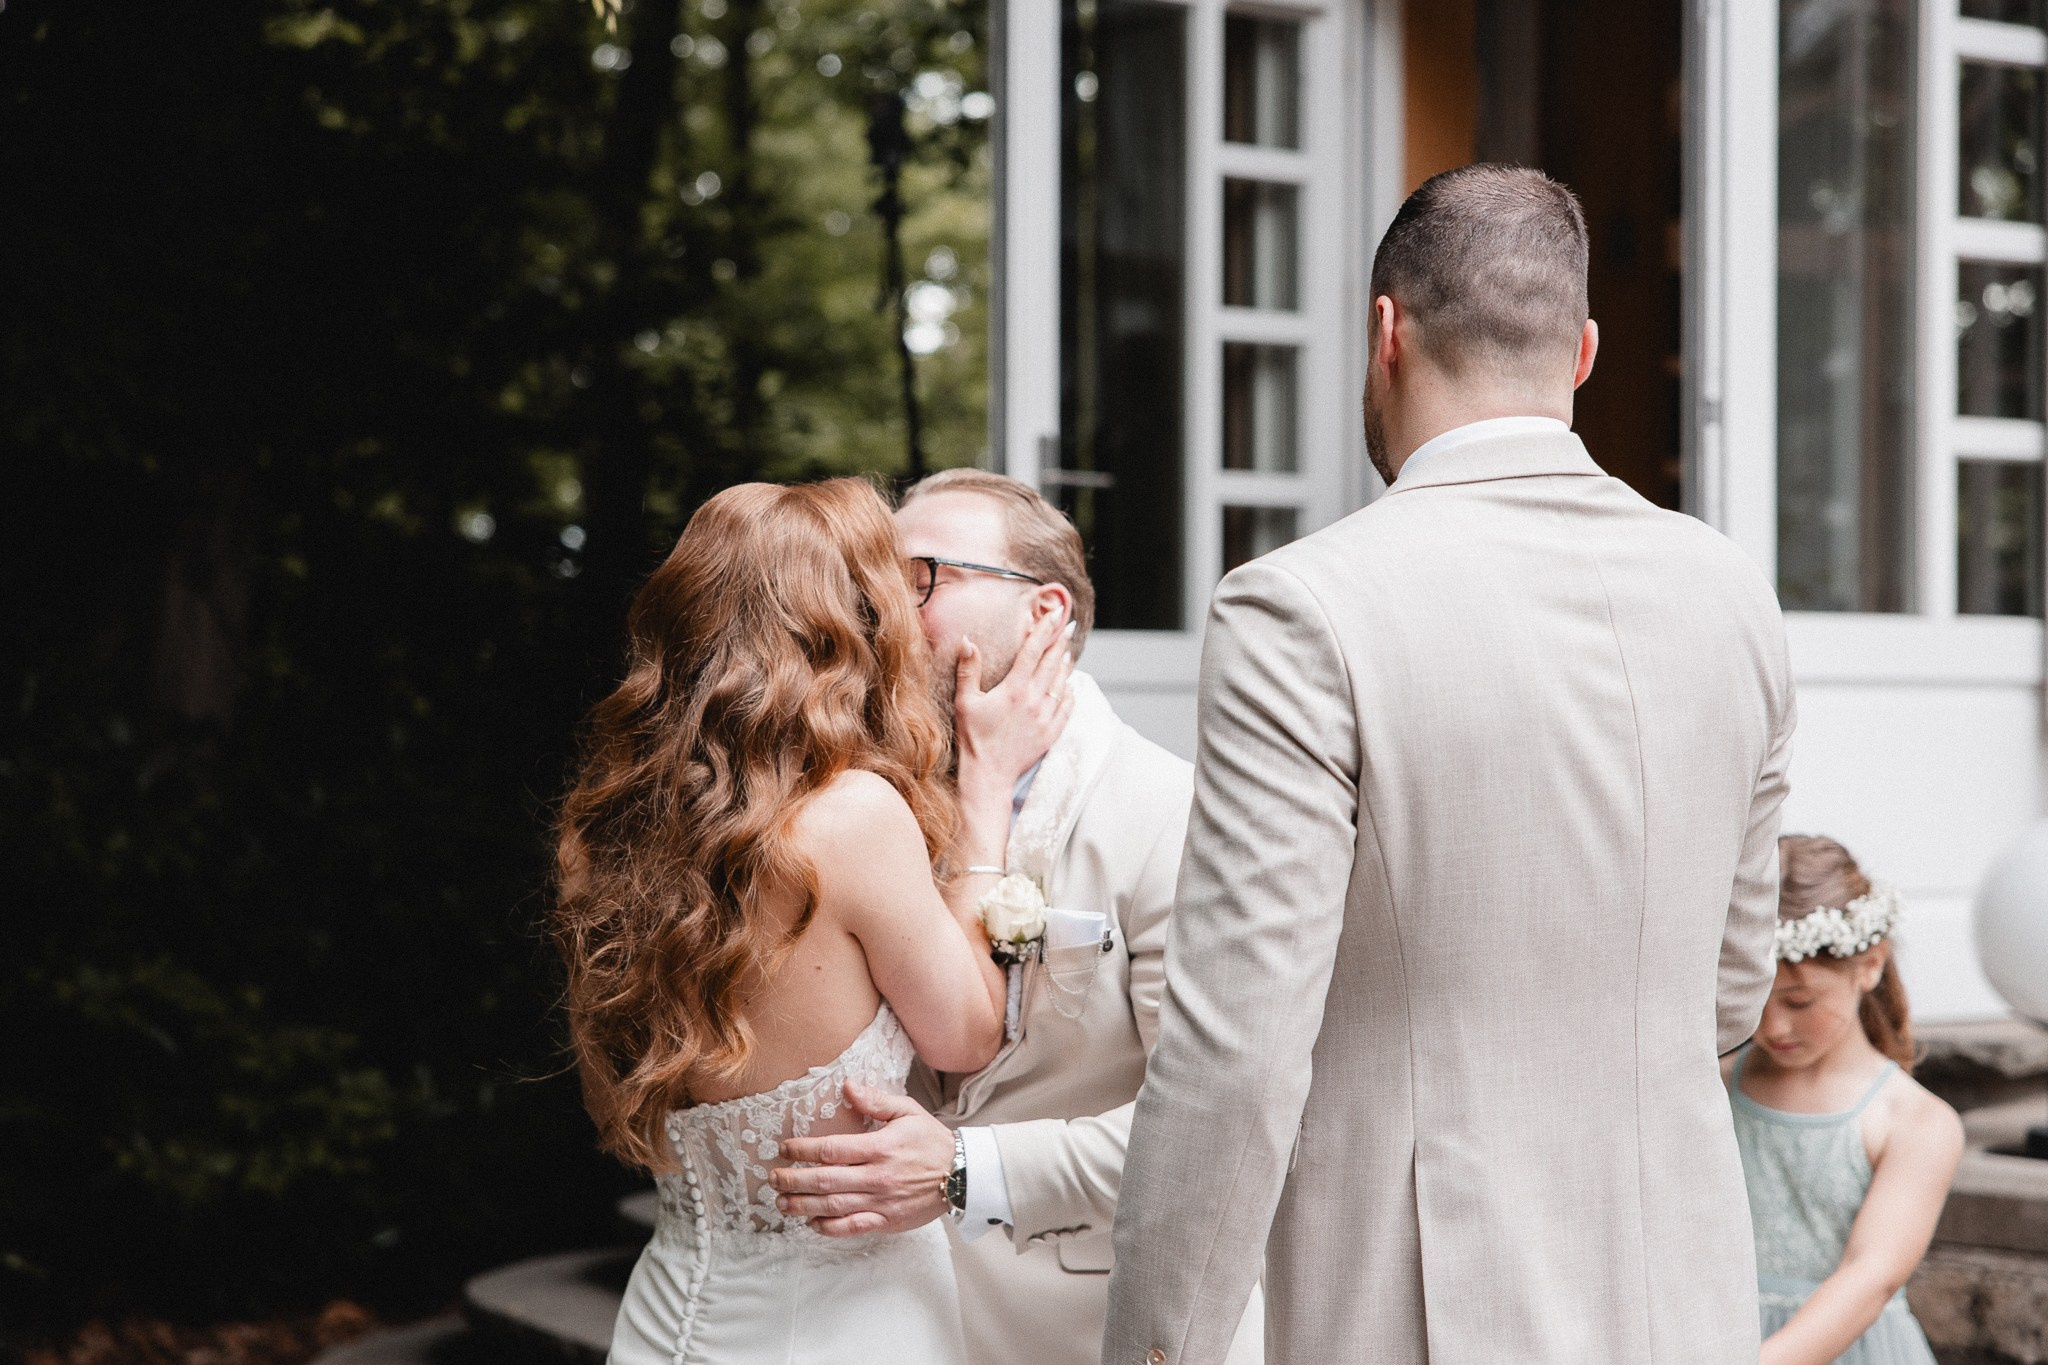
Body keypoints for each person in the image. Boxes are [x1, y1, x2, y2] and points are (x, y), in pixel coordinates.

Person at [1104, 163, 1798, 1364]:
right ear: (1580, 352)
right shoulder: (1731, 594)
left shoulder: (1304, 607)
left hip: (1417, 1299)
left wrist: (1156, 1350)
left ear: (1384, 331)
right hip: (1683, 1295)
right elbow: (1728, 992)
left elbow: (1237, 1052)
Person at [550, 478, 1072, 1365]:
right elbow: (968, 1033)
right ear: (852, 626)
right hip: (838, 1328)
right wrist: (986, 793)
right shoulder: (852, 816)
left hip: (664, 1315)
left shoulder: (622, 822)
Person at [768, 468, 1261, 1365]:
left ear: (1042, 614)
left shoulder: (1172, 813)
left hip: (1084, 1329)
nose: (885, 608)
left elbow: (1212, 1126)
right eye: (877, 579)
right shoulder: (861, 811)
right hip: (881, 1315)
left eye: (923, 578)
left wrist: (964, 1171)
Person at [1728, 836, 1963, 1365]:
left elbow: (1871, 1275)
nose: (1772, 1026)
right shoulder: (1718, 1087)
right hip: (1722, 1336)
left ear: (1870, 964)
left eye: (1799, 1000)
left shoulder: (1914, 1121)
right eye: (1754, 1000)